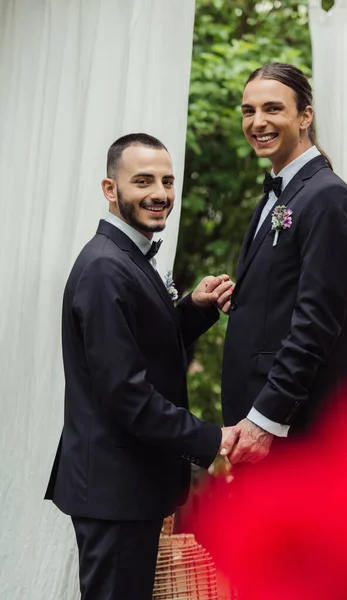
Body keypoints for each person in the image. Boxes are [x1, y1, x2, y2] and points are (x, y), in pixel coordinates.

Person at [44, 133, 233, 600]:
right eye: (143, 181)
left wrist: (195, 307)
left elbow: (144, 345)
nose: (160, 193)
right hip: (116, 490)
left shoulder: (129, 256)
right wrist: (212, 439)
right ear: (110, 189)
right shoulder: (106, 268)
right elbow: (127, 393)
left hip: (126, 487)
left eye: (168, 181)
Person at [220, 63, 347, 473]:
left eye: (272, 109)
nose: (257, 122)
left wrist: (266, 420)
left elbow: (316, 323)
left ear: (305, 116)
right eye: (248, 111)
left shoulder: (327, 197)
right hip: (261, 429)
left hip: (296, 437)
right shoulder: (278, 195)